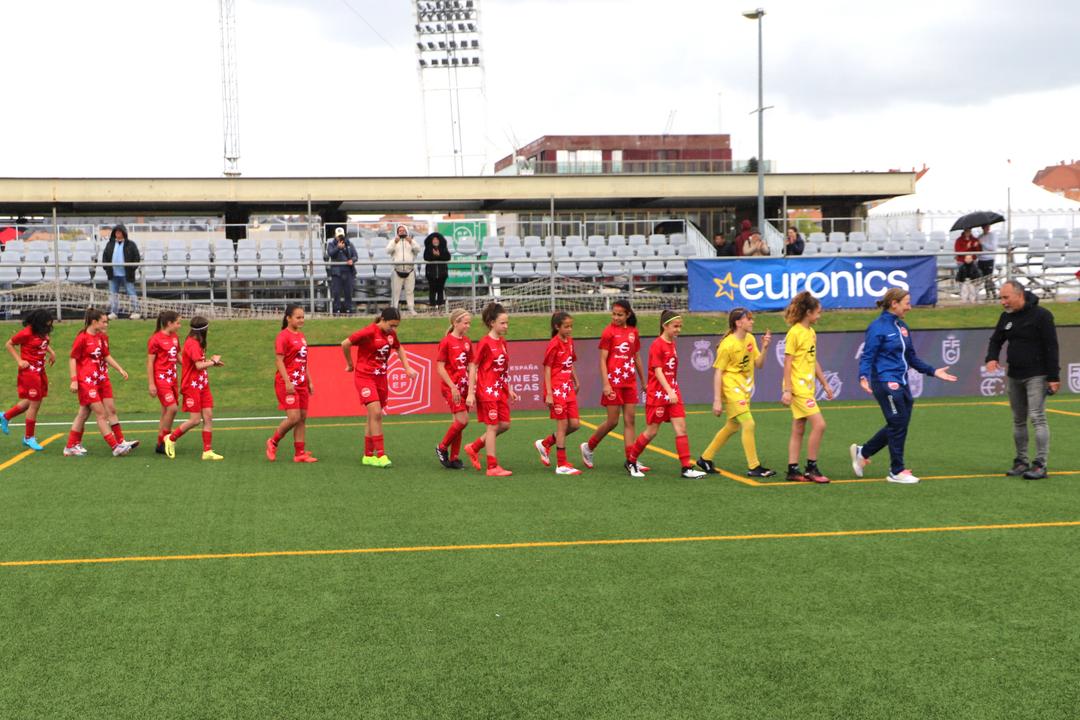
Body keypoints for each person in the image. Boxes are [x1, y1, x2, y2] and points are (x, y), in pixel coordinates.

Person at [850, 288, 957, 484]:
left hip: (902, 382)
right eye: (907, 303)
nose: (909, 307)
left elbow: (912, 358)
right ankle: (896, 471)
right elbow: (867, 355)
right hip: (884, 382)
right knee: (898, 422)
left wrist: (933, 371)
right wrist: (863, 376)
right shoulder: (877, 327)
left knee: (898, 424)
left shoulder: (902, 326)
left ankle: (863, 452)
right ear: (894, 304)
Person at [984, 280, 1060, 480]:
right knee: (1018, 420)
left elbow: (1051, 346)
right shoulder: (1006, 317)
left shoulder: (1042, 315)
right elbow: (996, 340)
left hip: (1037, 375)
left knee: (1037, 417)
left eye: (1006, 297)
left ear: (1019, 295)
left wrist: (1053, 376)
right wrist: (991, 357)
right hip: (1014, 374)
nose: (1003, 302)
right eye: (1001, 298)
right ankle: (1021, 462)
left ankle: (1040, 464)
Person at [624, 310, 706, 479]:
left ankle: (686, 468)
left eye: (680, 326)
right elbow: (658, 371)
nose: (678, 330)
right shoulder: (657, 345)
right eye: (675, 326)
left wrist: (672, 390)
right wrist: (669, 391)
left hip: (673, 392)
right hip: (659, 394)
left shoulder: (671, 343)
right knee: (652, 431)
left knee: (681, 428)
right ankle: (631, 461)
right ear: (665, 326)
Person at [696, 308, 775, 478]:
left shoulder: (750, 338)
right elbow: (718, 372)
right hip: (731, 388)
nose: (752, 321)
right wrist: (717, 400)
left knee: (732, 426)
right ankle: (754, 466)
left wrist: (765, 347)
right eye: (749, 318)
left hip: (744, 388)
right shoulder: (727, 345)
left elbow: (759, 364)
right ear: (738, 323)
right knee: (749, 423)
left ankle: (705, 458)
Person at [342, 307, 418, 468]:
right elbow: (345, 343)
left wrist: (407, 368)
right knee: (376, 412)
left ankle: (368, 455)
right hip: (365, 377)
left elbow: (399, 348)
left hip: (381, 378)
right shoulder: (368, 332)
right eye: (391, 325)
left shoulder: (391, 334)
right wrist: (350, 364)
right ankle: (381, 454)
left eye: (396, 326)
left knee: (373, 415)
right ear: (382, 320)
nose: (393, 329)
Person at [580, 300, 649, 472]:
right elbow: (602, 360)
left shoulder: (633, 332)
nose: (616, 317)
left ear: (628, 315)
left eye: (620, 315)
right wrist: (606, 384)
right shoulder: (608, 332)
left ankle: (631, 459)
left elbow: (637, 358)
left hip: (629, 382)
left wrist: (643, 381)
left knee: (630, 420)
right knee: (612, 421)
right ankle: (588, 447)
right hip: (613, 382)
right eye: (614, 314)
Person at [64, 308, 136, 457]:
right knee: (101, 413)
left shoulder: (101, 337)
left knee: (85, 413)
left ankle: (71, 445)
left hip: (99, 379)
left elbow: (106, 355)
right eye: (104, 322)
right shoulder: (82, 338)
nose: (106, 324)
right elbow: (72, 359)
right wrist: (74, 380)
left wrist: (119, 369)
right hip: (86, 381)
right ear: (94, 322)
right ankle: (115, 446)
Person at [781, 292, 833, 483]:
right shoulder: (794, 333)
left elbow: (813, 360)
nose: (819, 315)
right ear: (808, 312)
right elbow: (788, 363)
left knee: (799, 427)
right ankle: (811, 468)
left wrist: (824, 383)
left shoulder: (811, 332)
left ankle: (793, 469)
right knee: (820, 425)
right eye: (818, 312)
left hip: (807, 387)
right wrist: (787, 390)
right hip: (798, 388)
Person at [463, 302, 519, 477]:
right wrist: (471, 392)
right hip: (486, 390)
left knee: (505, 425)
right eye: (503, 323)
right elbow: (473, 366)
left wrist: (509, 388)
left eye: (507, 323)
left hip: (499, 390)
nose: (506, 326)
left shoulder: (502, 342)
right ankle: (492, 467)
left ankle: (474, 447)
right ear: (492, 323)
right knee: (492, 427)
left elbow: (502, 369)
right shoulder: (485, 343)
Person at [164, 316, 224, 460]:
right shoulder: (192, 343)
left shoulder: (198, 342)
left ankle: (207, 451)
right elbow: (198, 365)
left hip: (202, 384)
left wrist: (212, 362)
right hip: (192, 386)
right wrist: (213, 362)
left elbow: (200, 363)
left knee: (208, 416)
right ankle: (171, 438)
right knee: (195, 420)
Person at [267, 304, 317, 463]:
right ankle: (273, 441)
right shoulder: (283, 336)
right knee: (294, 417)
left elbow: (303, 361)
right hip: (287, 383)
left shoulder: (301, 336)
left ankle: (300, 453)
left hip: (301, 382)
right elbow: (279, 361)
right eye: (298, 317)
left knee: (302, 418)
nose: (301, 320)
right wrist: (288, 382)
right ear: (288, 318)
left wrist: (309, 380)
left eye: (303, 317)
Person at [1, 308, 57, 451]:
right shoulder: (26, 332)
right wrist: (19, 361)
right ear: (40, 322)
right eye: (47, 324)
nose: (49, 326)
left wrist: (52, 352)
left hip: (40, 370)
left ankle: (6, 416)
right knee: (35, 404)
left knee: (32, 401)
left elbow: (43, 343)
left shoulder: (41, 331)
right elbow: (9, 344)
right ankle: (28, 437)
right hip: (30, 372)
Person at [534, 311, 583, 475]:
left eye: (571, 326)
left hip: (567, 388)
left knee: (574, 424)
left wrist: (576, 379)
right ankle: (561, 464)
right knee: (562, 426)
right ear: (557, 327)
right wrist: (549, 393)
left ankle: (546, 443)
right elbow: (547, 368)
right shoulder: (554, 344)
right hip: (556, 389)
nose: (569, 329)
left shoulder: (570, 341)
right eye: (566, 327)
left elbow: (569, 362)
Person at [434, 309, 472, 469]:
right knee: (463, 420)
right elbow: (440, 367)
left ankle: (454, 458)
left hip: (464, 387)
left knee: (459, 423)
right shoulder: (446, 342)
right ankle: (442, 447)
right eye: (465, 323)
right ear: (455, 323)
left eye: (469, 323)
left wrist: (471, 389)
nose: (468, 326)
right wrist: (453, 387)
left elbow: (471, 365)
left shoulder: (467, 342)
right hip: (451, 388)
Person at [146, 310, 181, 454]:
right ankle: (165, 439)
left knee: (166, 411)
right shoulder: (155, 339)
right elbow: (150, 363)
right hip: (161, 379)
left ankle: (160, 444)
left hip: (173, 379)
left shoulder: (175, 337)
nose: (179, 326)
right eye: (178, 323)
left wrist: (192, 367)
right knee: (172, 408)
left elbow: (177, 356)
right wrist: (151, 383)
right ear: (169, 323)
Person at [100, 224, 142, 320]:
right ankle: (114, 312)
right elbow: (105, 257)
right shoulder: (110, 244)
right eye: (116, 232)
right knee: (113, 294)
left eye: (119, 231)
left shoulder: (131, 244)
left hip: (127, 274)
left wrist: (132, 268)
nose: (117, 233)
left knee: (131, 292)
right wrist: (106, 268)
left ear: (124, 233)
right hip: (113, 274)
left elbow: (136, 257)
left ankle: (136, 311)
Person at [386, 225, 422, 315]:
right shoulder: (393, 241)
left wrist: (411, 242)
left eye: (403, 230)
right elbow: (388, 251)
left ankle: (411, 309)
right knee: (395, 292)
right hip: (397, 270)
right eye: (400, 231)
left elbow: (418, 249)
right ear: (397, 232)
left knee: (410, 291)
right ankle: (394, 310)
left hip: (409, 270)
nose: (402, 232)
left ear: (406, 231)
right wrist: (395, 242)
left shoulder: (411, 241)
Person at [326, 228, 358, 315]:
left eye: (341, 236)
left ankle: (348, 309)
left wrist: (352, 260)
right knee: (336, 292)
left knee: (348, 292)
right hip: (336, 272)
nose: (340, 238)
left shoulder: (349, 244)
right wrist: (338, 247)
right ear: (335, 236)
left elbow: (355, 256)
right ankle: (337, 310)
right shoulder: (331, 244)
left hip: (348, 271)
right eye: (338, 236)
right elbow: (330, 253)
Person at [423, 231, 451, 311]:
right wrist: (434, 255)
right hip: (431, 274)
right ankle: (432, 307)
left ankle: (440, 307)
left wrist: (439, 255)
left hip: (442, 274)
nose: (435, 241)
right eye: (434, 240)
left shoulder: (444, 248)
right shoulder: (428, 249)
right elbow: (426, 257)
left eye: (437, 239)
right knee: (432, 291)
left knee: (440, 291)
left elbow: (448, 257)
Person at [954, 228, 982, 303]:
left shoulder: (974, 239)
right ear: (964, 231)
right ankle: (964, 299)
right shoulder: (959, 240)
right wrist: (967, 247)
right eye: (966, 231)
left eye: (969, 231)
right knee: (963, 284)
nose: (968, 232)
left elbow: (978, 251)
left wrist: (976, 246)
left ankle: (973, 298)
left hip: (972, 262)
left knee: (973, 284)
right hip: (962, 262)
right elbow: (958, 251)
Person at [976, 224, 998, 299]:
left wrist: (982, 243)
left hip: (989, 259)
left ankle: (994, 294)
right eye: (985, 227)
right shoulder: (980, 236)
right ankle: (988, 294)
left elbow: (992, 247)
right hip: (981, 259)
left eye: (988, 227)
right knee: (983, 278)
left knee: (989, 278)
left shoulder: (992, 235)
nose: (987, 228)